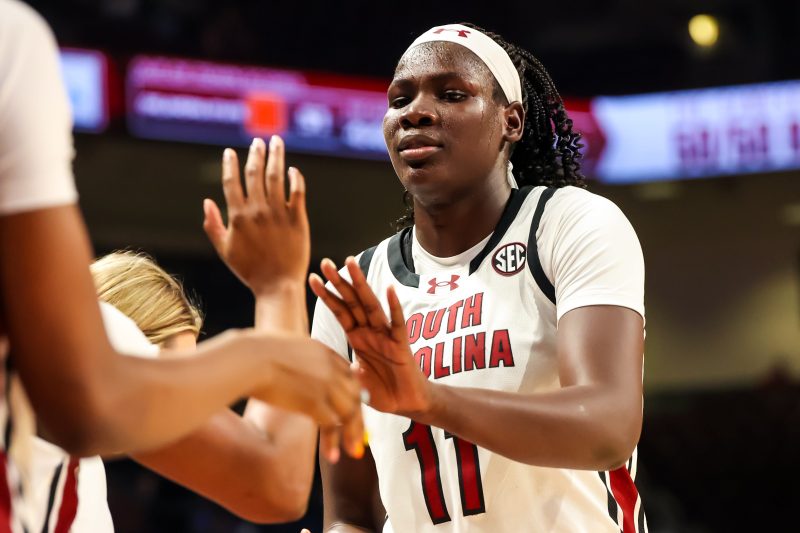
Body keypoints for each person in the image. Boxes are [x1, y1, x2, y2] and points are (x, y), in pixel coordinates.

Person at [0, 1, 362, 528]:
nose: (188, 411)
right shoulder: (11, 38)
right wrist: (276, 300)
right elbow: (274, 480)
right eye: (186, 387)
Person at [310, 23, 647, 532]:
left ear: (511, 121)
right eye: (400, 99)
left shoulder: (569, 224)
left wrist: (429, 400)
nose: (415, 112)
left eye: (451, 94)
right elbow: (351, 511)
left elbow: (608, 427)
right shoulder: (356, 290)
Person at [32, 248, 327, 531]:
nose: (186, 416)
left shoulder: (84, 470)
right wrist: (280, 286)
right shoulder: (100, 333)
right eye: (177, 380)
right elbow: (278, 481)